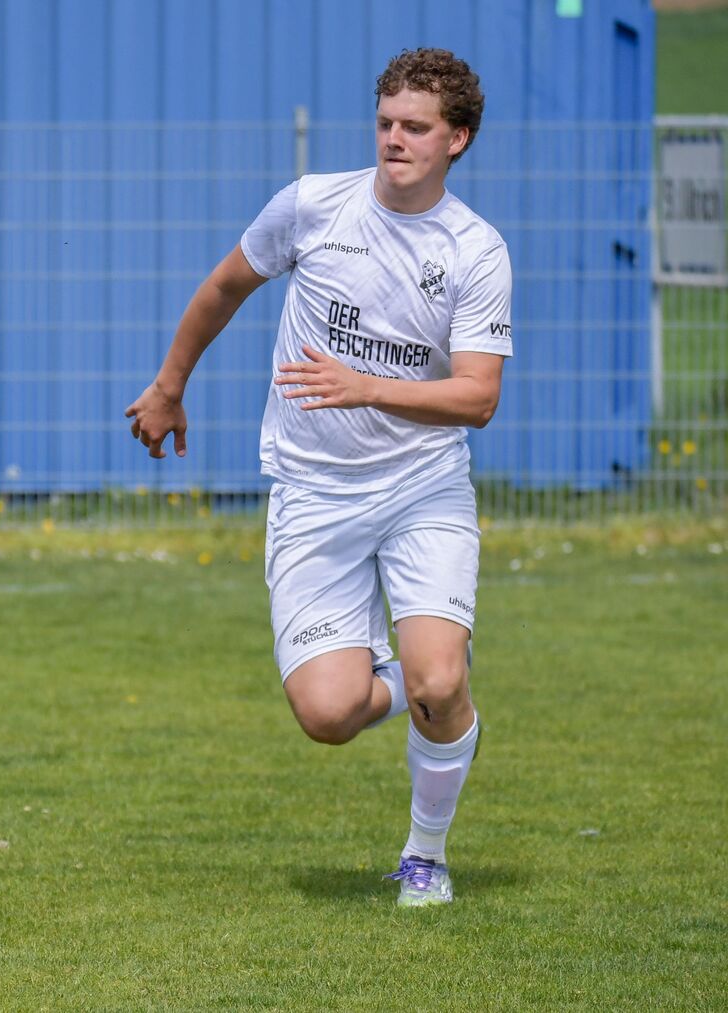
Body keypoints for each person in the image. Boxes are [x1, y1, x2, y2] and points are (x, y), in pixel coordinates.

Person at [125, 49, 511, 907]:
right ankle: (423, 675)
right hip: (314, 494)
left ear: (457, 139)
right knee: (329, 715)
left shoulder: (476, 250)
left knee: (440, 681)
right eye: (385, 124)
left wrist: (365, 386)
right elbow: (224, 287)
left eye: (416, 128)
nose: (394, 140)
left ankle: (425, 855)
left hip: (422, 488)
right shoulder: (311, 206)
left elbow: (478, 397)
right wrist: (169, 385)